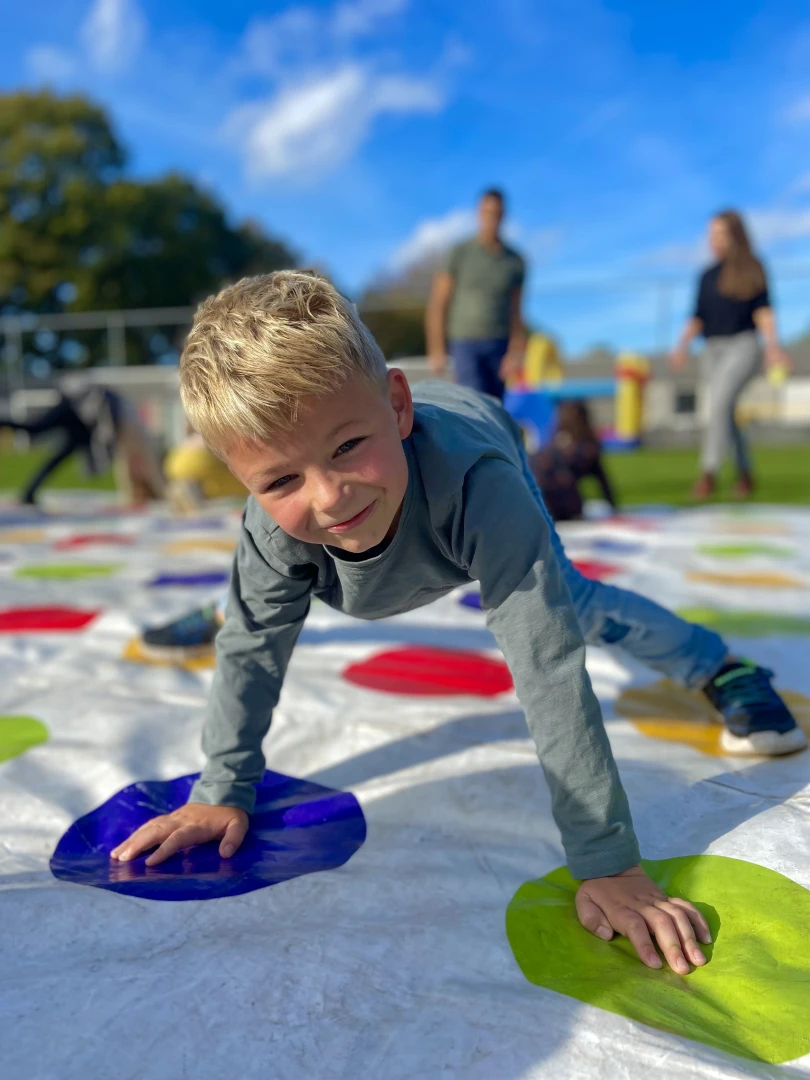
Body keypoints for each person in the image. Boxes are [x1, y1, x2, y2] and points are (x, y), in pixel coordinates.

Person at [113, 272, 805, 978]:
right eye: (281, 482)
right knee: (257, 618)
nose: (330, 495)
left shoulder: (479, 484)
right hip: (306, 560)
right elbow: (254, 655)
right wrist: (223, 788)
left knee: (565, 602)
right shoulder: (271, 531)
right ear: (245, 482)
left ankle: (722, 665)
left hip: (477, 454)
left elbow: (547, 665)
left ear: (398, 405)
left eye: (349, 446)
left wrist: (609, 863)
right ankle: (234, 600)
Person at [670, 210, 792, 500]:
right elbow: (698, 317)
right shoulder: (706, 276)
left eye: (721, 234)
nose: (714, 240)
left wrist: (774, 347)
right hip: (712, 350)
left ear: (735, 236)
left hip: (743, 346)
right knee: (725, 412)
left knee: (720, 403)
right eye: (711, 234)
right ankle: (745, 472)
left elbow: (763, 312)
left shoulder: (753, 268)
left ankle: (708, 473)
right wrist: (681, 346)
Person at [425, 189, 526, 400]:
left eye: (496, 213)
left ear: (503, 215)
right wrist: (436, 348)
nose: (491, 218)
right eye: (486, 212)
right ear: (479, 214)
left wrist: (516, 352)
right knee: (472, 403)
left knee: (496, 408)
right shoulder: (460, 252)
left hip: (500, 343)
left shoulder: (515, 261)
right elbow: (438, 302)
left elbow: (517, 310)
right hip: (465, 342)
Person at [0, 377, 164, 505]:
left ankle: (29, 493)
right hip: (76, 412)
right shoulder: (133, 427)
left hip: (84, 426)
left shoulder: (129, 426)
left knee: (56, 457)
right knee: (35, 429)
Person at [529, 400, 616, 521]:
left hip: (539, 500)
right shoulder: (585, 448)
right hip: (553, 501)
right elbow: (600, 478)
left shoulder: (556, 444)